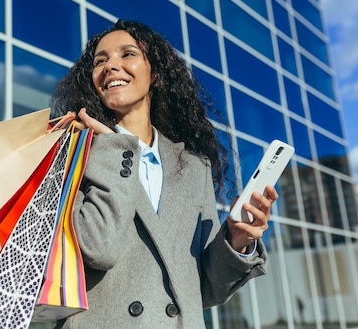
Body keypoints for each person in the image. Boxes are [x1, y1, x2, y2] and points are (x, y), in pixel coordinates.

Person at [49, 19, 278, 328]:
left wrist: (235, 241)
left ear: (154, 73)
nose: (110, 66)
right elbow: (99, 250)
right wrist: (114, 150)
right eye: (100, 61)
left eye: (127, 54)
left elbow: (202, 290)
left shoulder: (194, 167)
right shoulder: (75, 155)